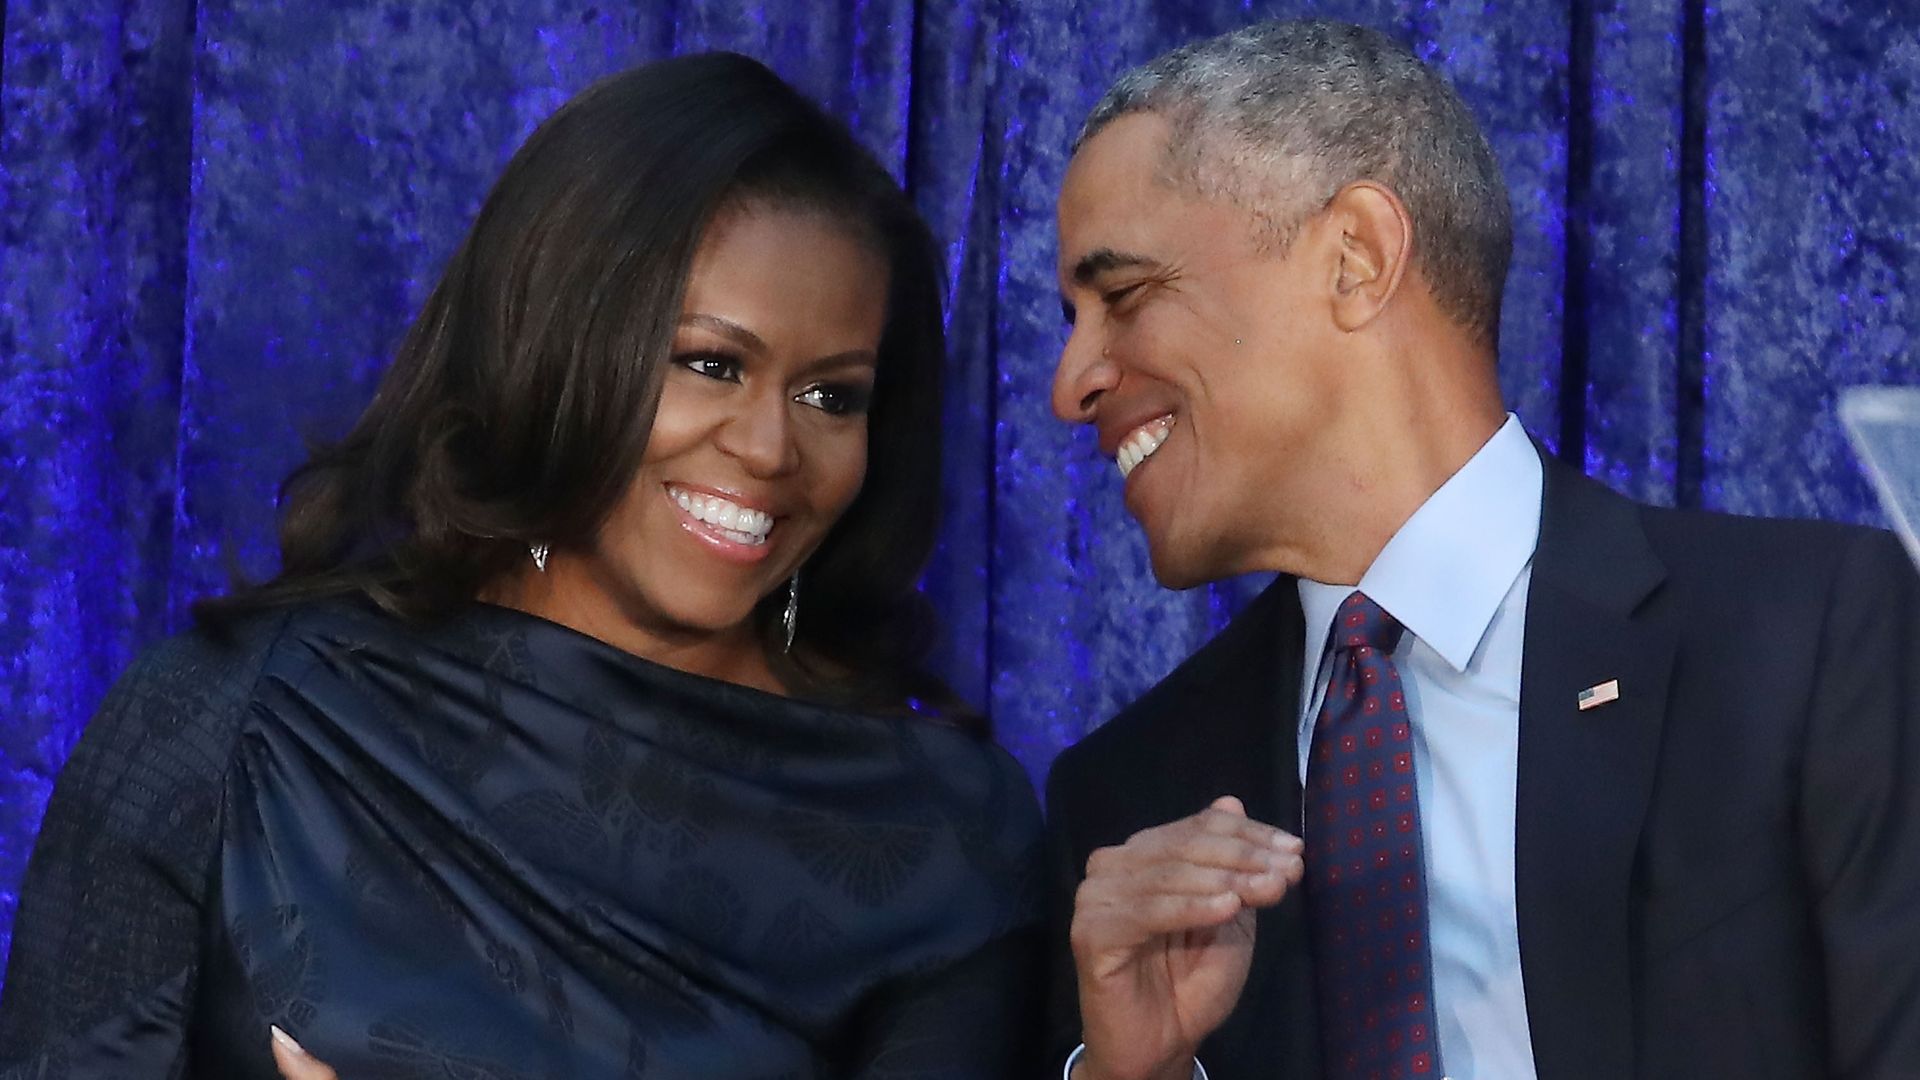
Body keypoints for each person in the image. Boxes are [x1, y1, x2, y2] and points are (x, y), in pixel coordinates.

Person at [0, 52, 1043, 1079]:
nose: (772, 448)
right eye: (710, 364)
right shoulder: (233, 718)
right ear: (550, 349)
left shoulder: (940, 837)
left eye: (831, 397)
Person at [1042, 18, 1920, 1080]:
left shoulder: (1808, 641)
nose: (1071, 384)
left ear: (1357, 258)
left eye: (1124, 296)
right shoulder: (1129, 799)